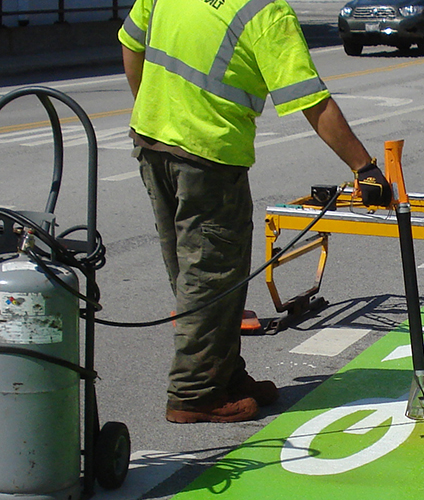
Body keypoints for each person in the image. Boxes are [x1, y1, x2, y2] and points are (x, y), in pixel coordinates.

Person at [119, 0, 390, 424]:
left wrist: (152, 113)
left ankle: (222, 373)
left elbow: (130, 45)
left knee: (189, 268)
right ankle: (195, 393)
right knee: (211, 276)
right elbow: (311, 100)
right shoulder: (264, 11)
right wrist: (363, 166)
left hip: (153, 141)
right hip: (208, 156)